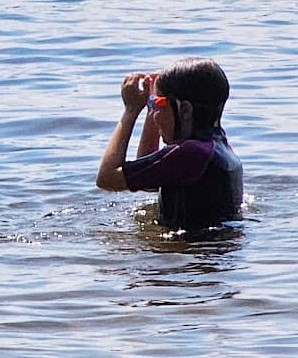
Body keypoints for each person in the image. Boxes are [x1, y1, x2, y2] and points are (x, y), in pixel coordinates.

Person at [95, 58, 242, 230]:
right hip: (211, 251)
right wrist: (154, 105)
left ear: (185, 110)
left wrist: (131, 111)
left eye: (158, 105)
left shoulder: (191, 153)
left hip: (192, 253)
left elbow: (106, 178)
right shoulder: (216, 145)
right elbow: (149, 179)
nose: (154, 115)